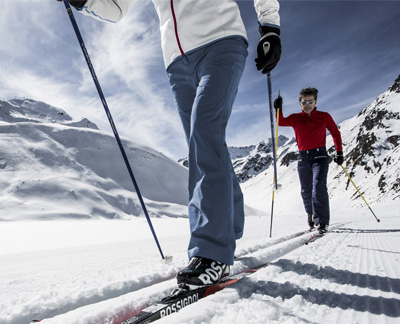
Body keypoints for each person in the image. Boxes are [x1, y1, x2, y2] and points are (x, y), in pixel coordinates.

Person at [58, 0, 282, 286]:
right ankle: (230, 225)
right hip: (177, 63)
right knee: (203, 142)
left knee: (204, 132)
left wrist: (270, 27)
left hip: (221, 41)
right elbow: (117, 8)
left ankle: (212, 252)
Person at [274, 88, 343, 233]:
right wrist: (278, 109)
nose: (307, 105)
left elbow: (335, 133)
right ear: (300, 103)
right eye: (304, 102)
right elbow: (281, 122)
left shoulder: (324, 117)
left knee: (318, 187)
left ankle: (322, 222)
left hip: (320, 157)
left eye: (310, 102)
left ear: (315, 102)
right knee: (306, 190)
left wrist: (339, 153)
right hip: (303, 158)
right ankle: (310, 215)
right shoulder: (295, 118)